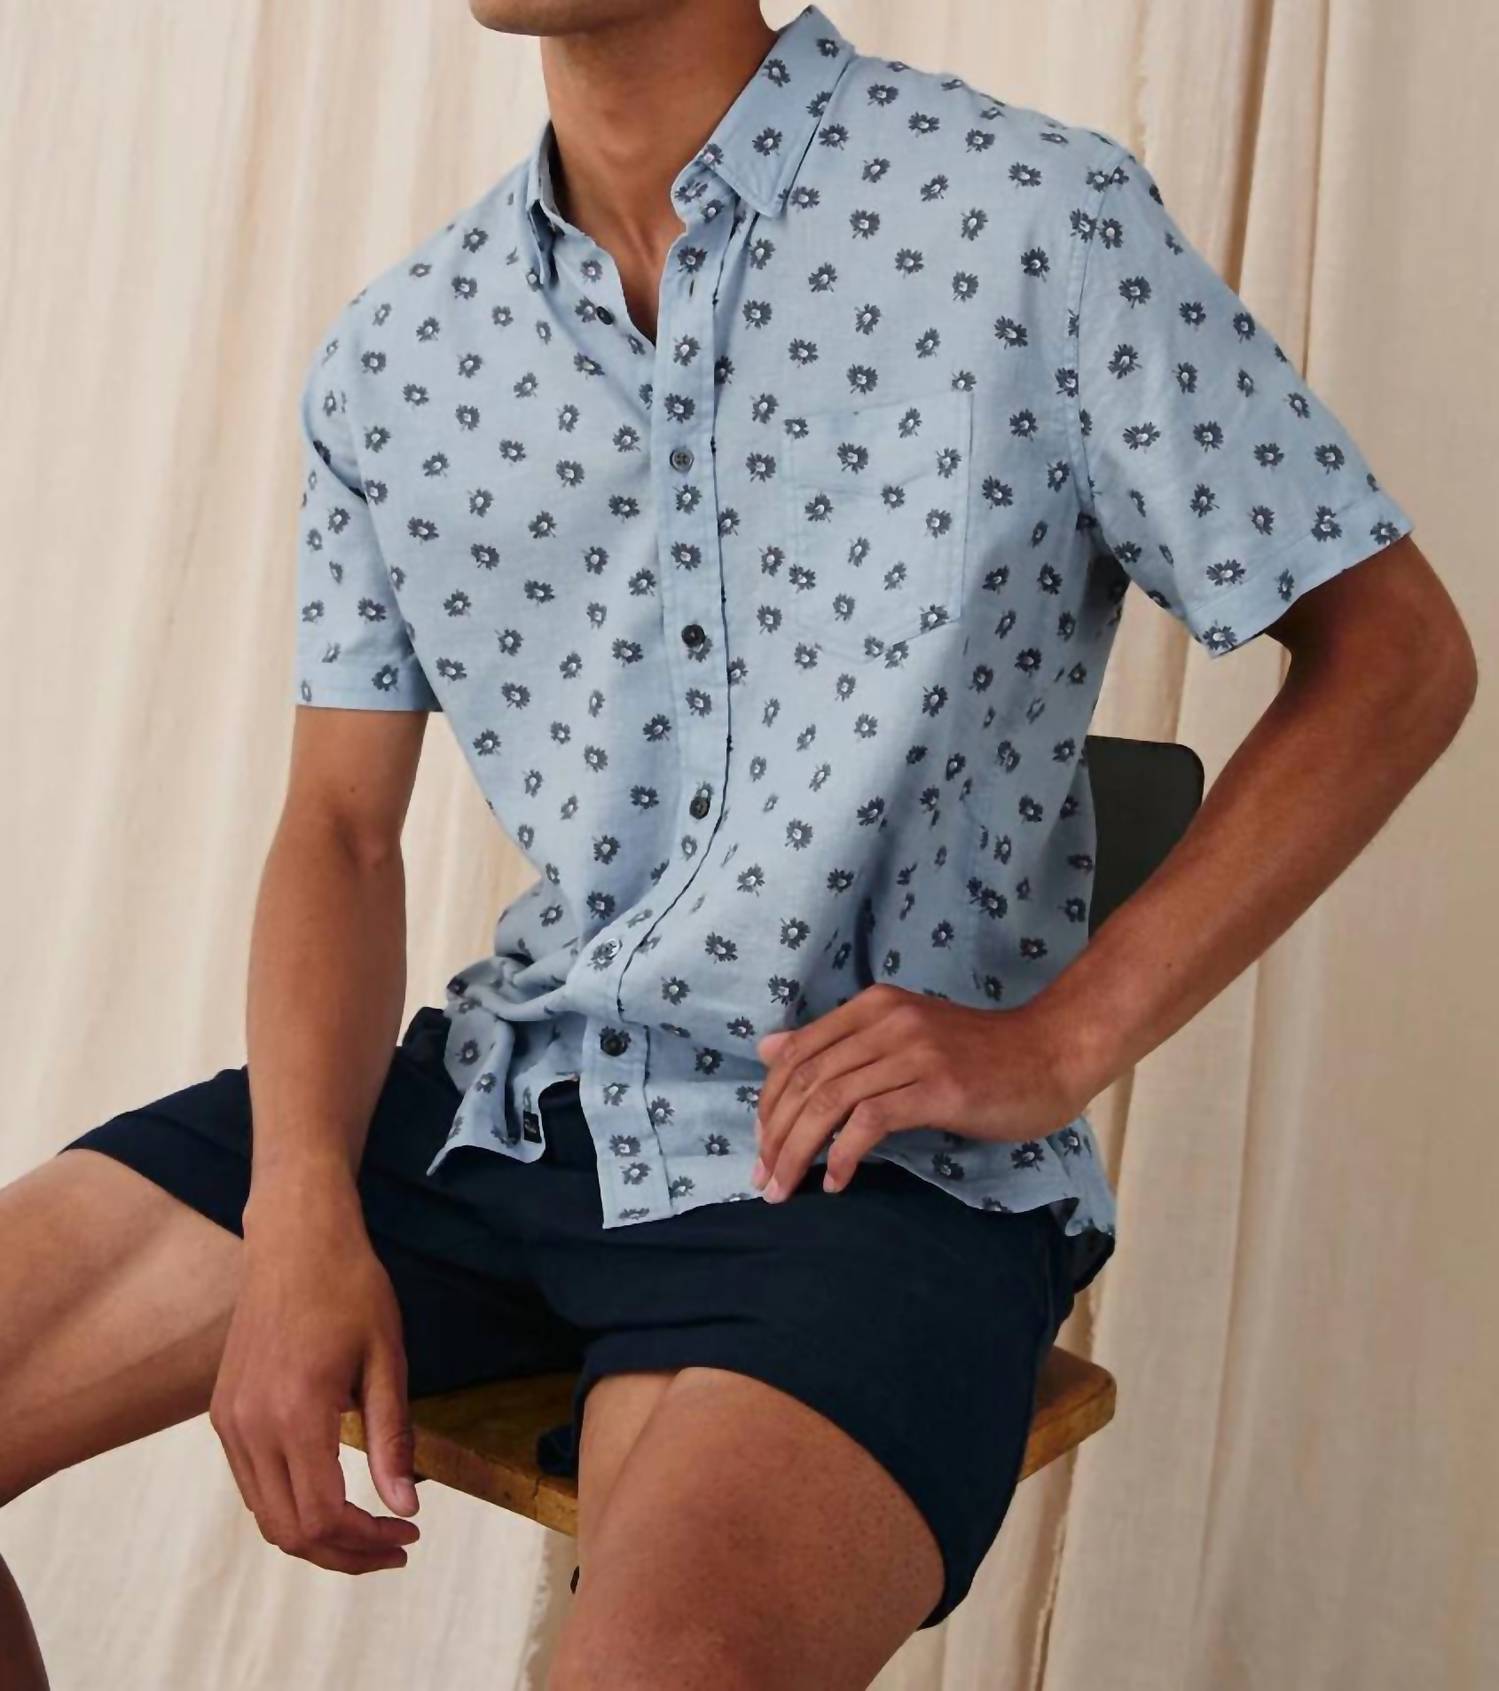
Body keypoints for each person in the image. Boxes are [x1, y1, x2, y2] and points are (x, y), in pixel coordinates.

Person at [0, 2, 1476, 1686]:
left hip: (870, 1175)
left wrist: (1064, 1038)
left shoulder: (1026, 222)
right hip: (499, 1108)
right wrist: (298, 1207)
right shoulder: (400, 357)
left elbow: (1398, 656)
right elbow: (339, 832)